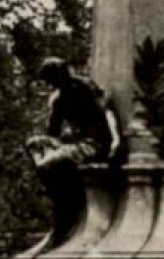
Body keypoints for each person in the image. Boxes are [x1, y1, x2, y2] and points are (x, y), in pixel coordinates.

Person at [25, 59, 123, 245]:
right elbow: (52, 131)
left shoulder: (85, 88)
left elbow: (107, 112)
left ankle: (65, 207)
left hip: (96, 142)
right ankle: (58, 194)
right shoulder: (59, 98)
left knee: (49, 162)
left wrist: (116, 141)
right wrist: (49, 143)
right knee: (34, 145)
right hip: (76, 142)